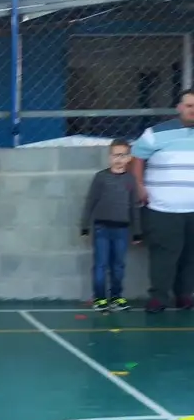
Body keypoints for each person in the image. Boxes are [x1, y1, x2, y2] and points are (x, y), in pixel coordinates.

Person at [132, 90, 194, 313]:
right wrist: (139, 185)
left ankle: (185, 296)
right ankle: (158, 298)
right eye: (189, 105)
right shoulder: (155, 133)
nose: (193, 110)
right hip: (162, 209)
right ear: (179, 107)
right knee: (164, 256)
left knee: (190, 256)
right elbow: (137, 158)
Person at [80, 139, 142, 312]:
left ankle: (116, 297)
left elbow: (134, 206)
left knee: (118, 265)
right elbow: (90, 201)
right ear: (109, 157)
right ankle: (100, 298)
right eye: (115, 155)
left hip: (122, 230)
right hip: (102, 228)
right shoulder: (101, 177)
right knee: (101, 264)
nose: (118, 159)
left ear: (128, 158)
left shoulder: (130, 180)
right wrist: (85, 225)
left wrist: (137, 232)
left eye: (123, 155)